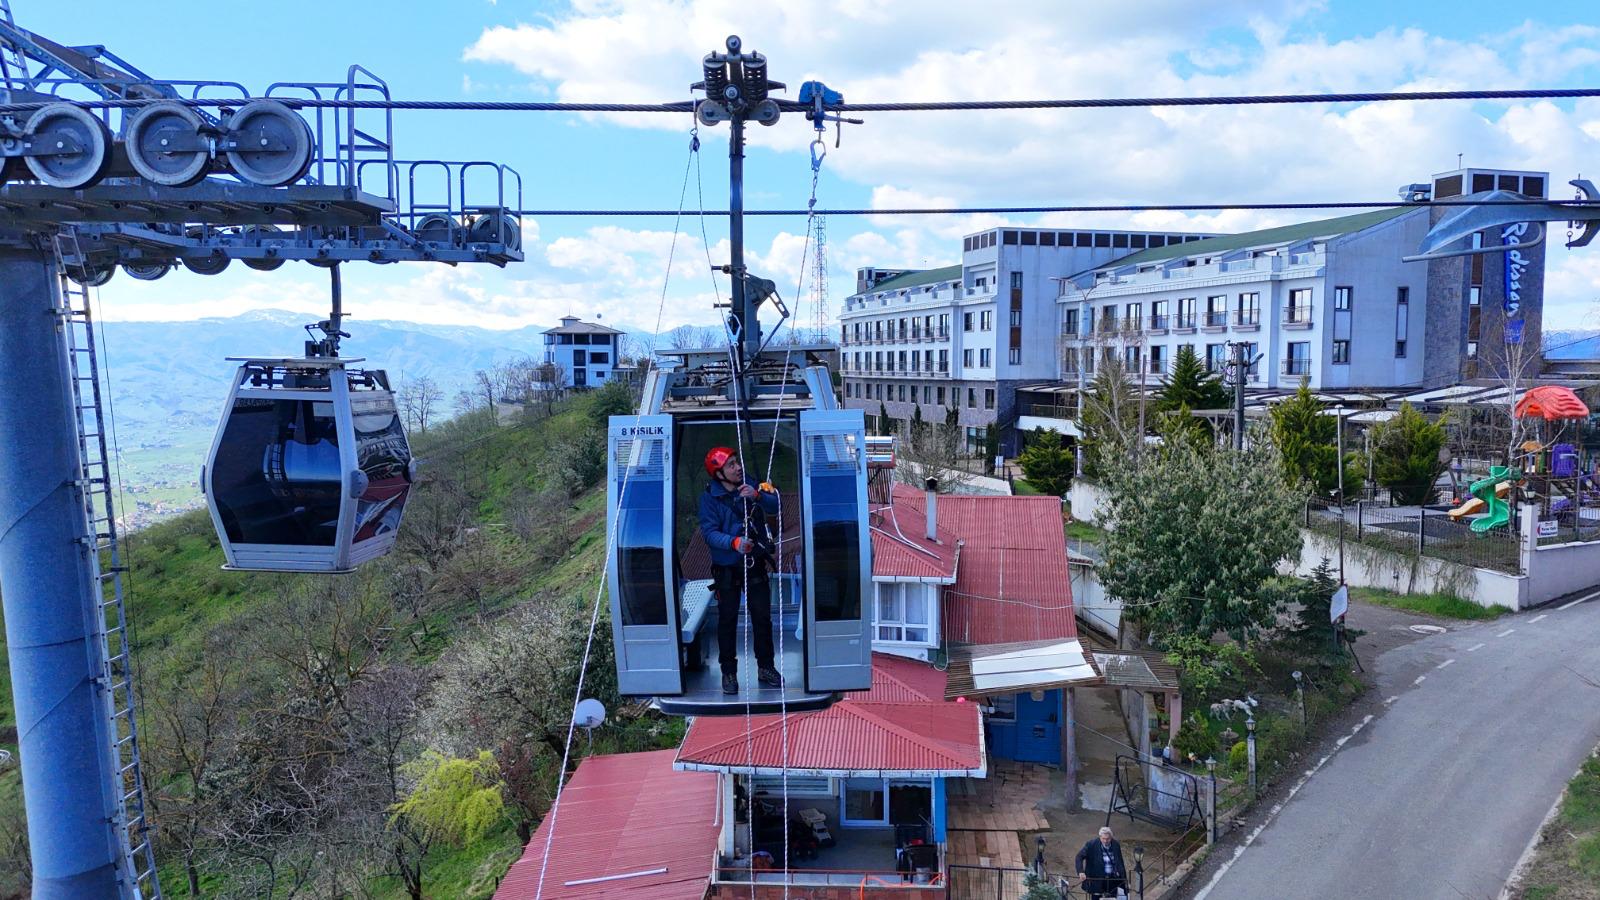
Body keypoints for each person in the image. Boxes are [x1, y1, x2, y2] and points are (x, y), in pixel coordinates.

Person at [699, 446, 783, 694]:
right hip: (727, 567)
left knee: (762, 617)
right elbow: (709, 533)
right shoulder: (710, 498)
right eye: (731, 465)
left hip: (753, 563)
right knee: (727, 620)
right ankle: (729, 673)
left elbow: (775, 506)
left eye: (737, 462)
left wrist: (757, 496)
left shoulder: (750, 484)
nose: (738, 468)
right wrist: (733, 542)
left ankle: (766, 667)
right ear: (719, 473)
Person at [1075, 827, 1128, 900]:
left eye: (1108, 839)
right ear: (1100, 837)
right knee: (1096, 898)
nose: (1105, 841)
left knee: (1113, 898)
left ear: (1111, 837)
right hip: (1097, 880)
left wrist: (1123, 878)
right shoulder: (1091, 844)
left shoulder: (1116, 844)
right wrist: (1080, 871)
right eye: (1103, 838)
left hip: (1112, 879)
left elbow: (1120, 862)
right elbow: (1079, 857)